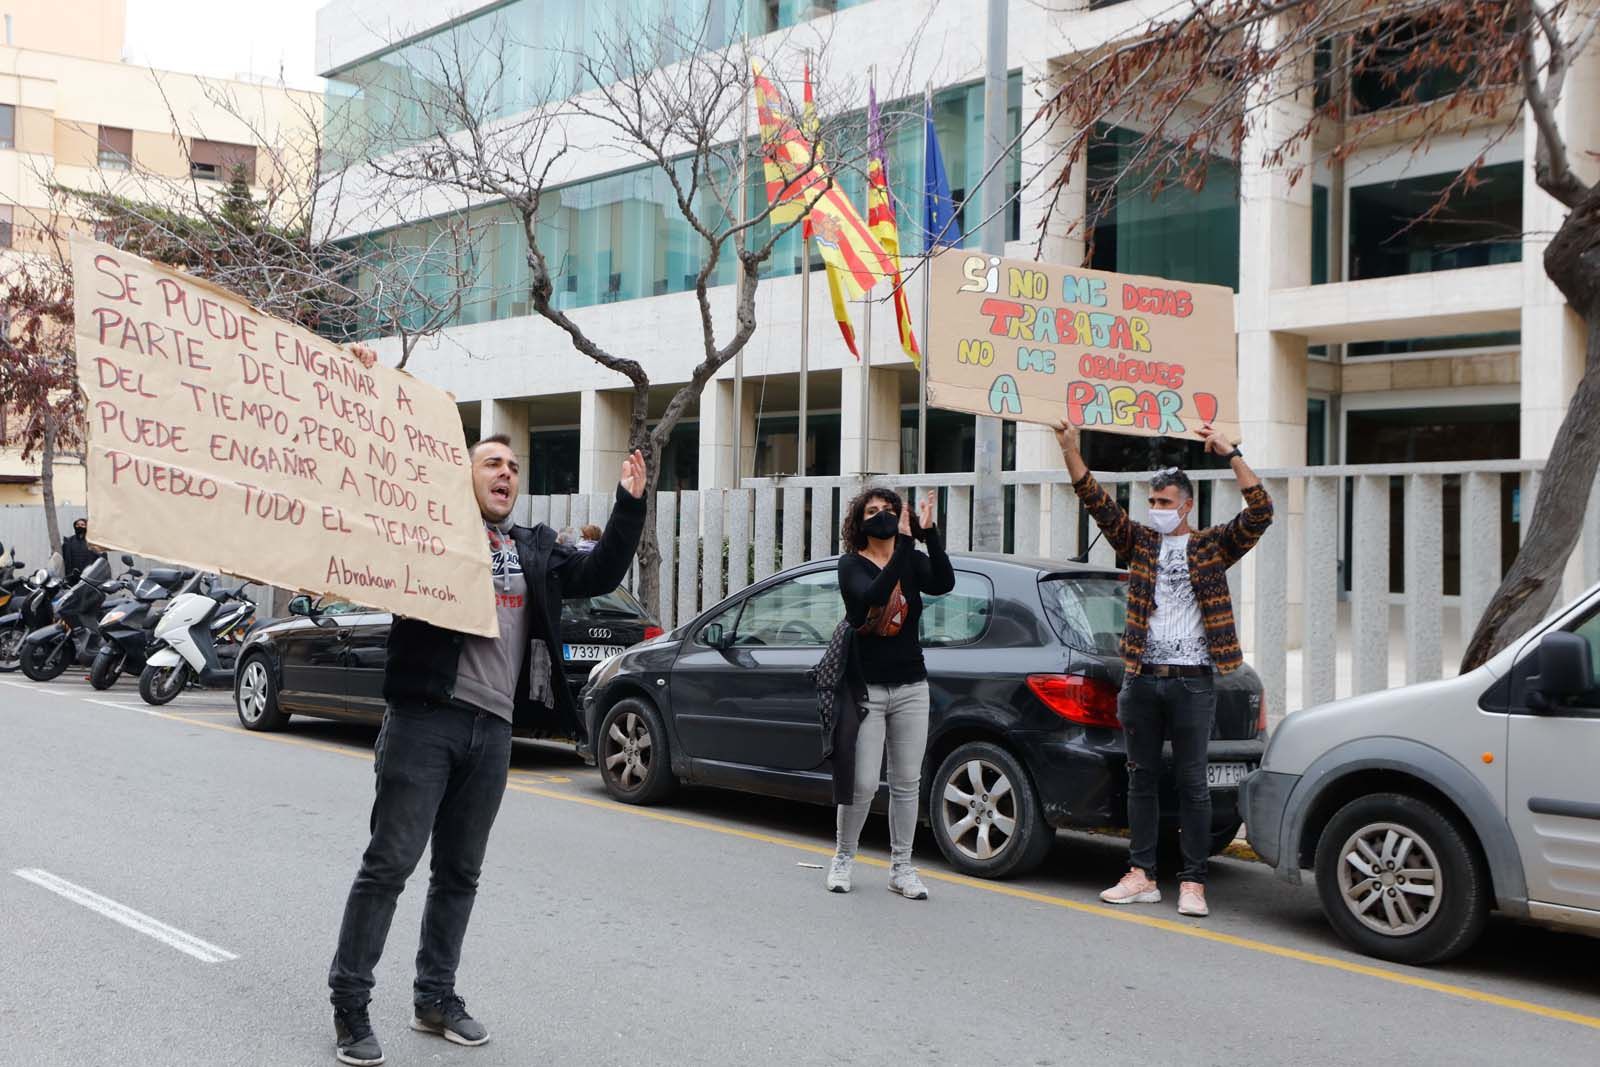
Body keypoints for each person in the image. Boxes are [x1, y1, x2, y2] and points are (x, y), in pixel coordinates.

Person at [327, 348, 648, 1067]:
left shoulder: (535, 547)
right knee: (390, 863)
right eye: (490, 463)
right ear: (462, 477)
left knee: (460, 873)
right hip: (425, 719)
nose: (505, 473)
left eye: (512, 467)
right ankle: (351, 1004)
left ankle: (434, 997)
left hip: (493, 730)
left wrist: (628, 506)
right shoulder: (429, 531)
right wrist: (364, 388)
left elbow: (598, 571)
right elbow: (375, 490)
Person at [1055, 419, 1272, 919]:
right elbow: (1093, 497)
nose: (1156, 511)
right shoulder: (1139, 544)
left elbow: (1261, 511)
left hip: (1193, 681)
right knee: (1142, 779)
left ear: (1187, 504)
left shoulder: (1211, 545)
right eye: (1152, 503)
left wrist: (1230, 452)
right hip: (1142, 678)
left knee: (1192, 781)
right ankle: (1141, 874)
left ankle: (1193, 881)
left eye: (1165, 502)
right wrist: (1069, 447)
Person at [828, 487, 954, 900]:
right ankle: (844, 856)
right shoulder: (851, 565)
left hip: (912, 686)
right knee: (862, 783)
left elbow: (944, 582)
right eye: (873, 510)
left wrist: (929, 533)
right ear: (859, 522)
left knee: (905, 782)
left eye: (889, 509)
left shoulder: (912, 559)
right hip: (867, 690)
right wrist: (905, 543)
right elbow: (874, 596)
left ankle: (902, 867)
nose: (881, 515)